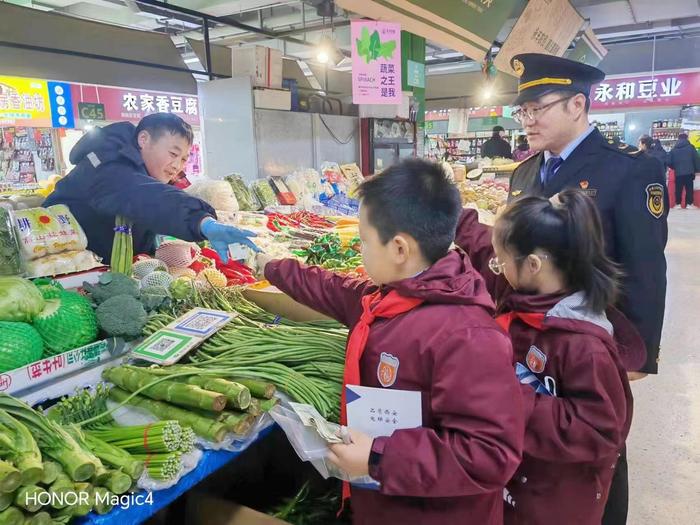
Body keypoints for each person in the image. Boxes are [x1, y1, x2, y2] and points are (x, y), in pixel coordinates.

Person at [257, 159, 525, 525]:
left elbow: (489, 453)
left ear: (399, 249)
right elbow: (335, 290)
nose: (362, 250)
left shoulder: (468, 337)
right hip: (385, 501)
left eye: (365, 240)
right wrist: (271, 267)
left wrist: (379, 456)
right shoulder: (391, 298)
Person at [506, 53, 668, 524]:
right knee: (542, 441)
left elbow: (644, 266)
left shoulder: (626, 171)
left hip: (592, 338)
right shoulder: (523, 174)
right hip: (533, 336)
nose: (529, 119)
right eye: (523, 111)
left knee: (599, 446)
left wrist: (641, 353)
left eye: (539, 107)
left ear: (578, 104)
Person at [455, 189, 645, 525]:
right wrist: (447, 210)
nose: (496, 267)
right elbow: (482, 245)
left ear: (533, 264)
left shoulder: (584, 345)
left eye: (502, 261)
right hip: (517, 477)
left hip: (555, 499)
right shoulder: (525, 290)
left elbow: (599, 430)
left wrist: (505, 395)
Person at [44, 113, 258, 262]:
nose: (177, 166)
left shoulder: (141, 171)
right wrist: (200, 220)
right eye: (173, 154)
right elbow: (141, 196)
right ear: (144, 139)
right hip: (58, 270)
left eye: (183, 159)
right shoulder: (105, 165)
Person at [668, 133, 700, 209]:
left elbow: (669, 162)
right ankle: (689, 204)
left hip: (678, 172)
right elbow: (696, 159)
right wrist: (697, 169)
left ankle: (678, 204)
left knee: (678, 188)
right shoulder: (691, 148)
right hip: (689, 172)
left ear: (678, 139)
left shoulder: (674, 149)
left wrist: (675, 167)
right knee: (689, 188)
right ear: (687, 138)